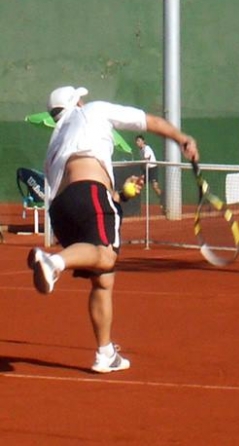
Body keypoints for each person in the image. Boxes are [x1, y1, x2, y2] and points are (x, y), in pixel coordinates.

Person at [27, 86, 199, 374]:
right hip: (89, 192)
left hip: (60, 211)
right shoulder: (92, 110)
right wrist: (183, 139)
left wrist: (121, 196)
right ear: (77, 102)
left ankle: (105, 353)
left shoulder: (56, 140)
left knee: (103, 277)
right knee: (106, 257)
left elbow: (81, 198)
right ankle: (54, 261)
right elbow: (150, 122)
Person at [135, 134, 163, 201]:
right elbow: (143, 163)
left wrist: (143, 166)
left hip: (152, 169)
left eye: (139, 141)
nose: (137, 142)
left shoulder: (147, 148)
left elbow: (147, 159)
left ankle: (163, 198)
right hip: (146, 170)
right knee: (139, 182)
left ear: (143, 141)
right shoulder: (140, 151)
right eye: (136, 141)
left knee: (155, 187)